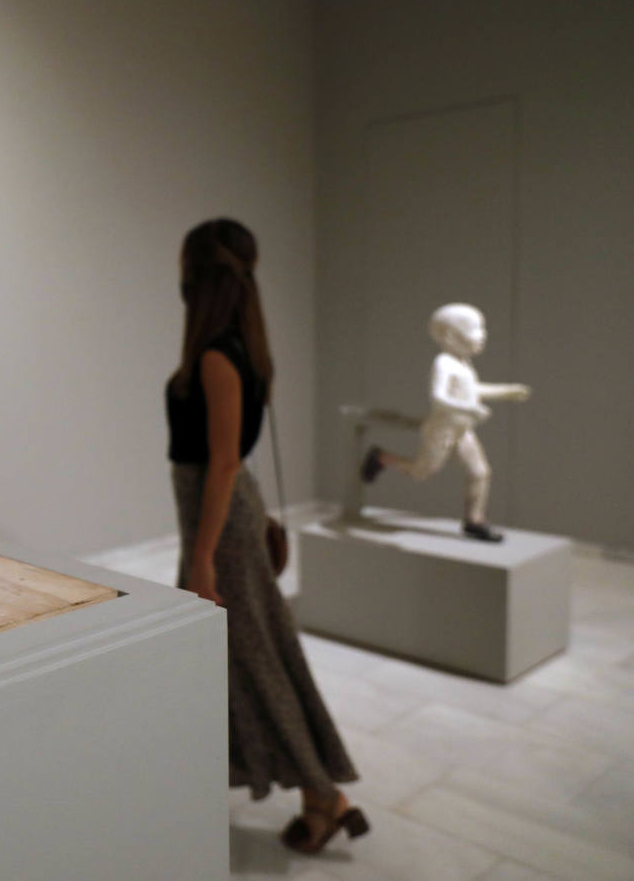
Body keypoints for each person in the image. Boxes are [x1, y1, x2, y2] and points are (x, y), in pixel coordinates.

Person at [166, 218, 367, 854]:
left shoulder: (218, 356)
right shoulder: (238, 350)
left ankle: (325, 794)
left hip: (218, 530)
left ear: (199, 277)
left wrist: (202, 557)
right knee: (254, 656)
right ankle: (311, 790)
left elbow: (223, 463)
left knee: (258, 661)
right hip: (225, 521)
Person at [360, 303, 530, 541]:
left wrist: (506, 391)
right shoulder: (443, 363)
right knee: (421, 473)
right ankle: (380, 457)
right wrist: (471, 408)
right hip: (442, 431)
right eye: (475, 328)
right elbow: (439, 398)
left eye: (482, 328)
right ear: (449, 336)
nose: (483, 335)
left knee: (480, 472)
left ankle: (474, 520)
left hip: (462, 430)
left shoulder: (464, 364)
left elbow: (472, 390)